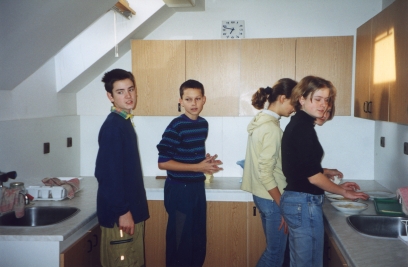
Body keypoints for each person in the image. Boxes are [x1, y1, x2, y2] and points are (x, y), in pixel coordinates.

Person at [280, 75, 369, 267]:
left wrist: (327, 176)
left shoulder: (301, 125)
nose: (323, 105)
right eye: (318, 99)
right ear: (302, 99)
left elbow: (305, 167)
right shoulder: (303, 128)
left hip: (298, 201)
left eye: (326, 100)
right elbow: (313, 178)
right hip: (303, 203)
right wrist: (344, 192)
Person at [156, 79, 223, 267]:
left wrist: (206, 162)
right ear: (181, 101)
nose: (193, 104)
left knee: (197, 241)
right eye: (188, 99)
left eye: (197, 99)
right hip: (179, 191)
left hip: (196, 189)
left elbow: (190, 155)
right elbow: (163, 163)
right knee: (180, 244)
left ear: (204, 100)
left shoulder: (203, 124)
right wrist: (198, 167)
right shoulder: (176, 126)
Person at [95, 68, 149, 267]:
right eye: (120, 92)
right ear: (110, 96)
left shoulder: (123, 122)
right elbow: (106, 174)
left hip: (129, 212)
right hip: (122, 216)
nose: (128, 96)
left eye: (131, 89)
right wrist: (123, 211)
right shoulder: (113, 127)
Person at [241, 78, 297, 267]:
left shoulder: (260, 122)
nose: (294, 109)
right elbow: (265, 172)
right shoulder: (271, 128)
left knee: (273, 251)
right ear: (282, 98)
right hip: (273, 198)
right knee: (275, 254)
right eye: (294, 103)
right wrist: (283, 207)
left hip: (263, 195)